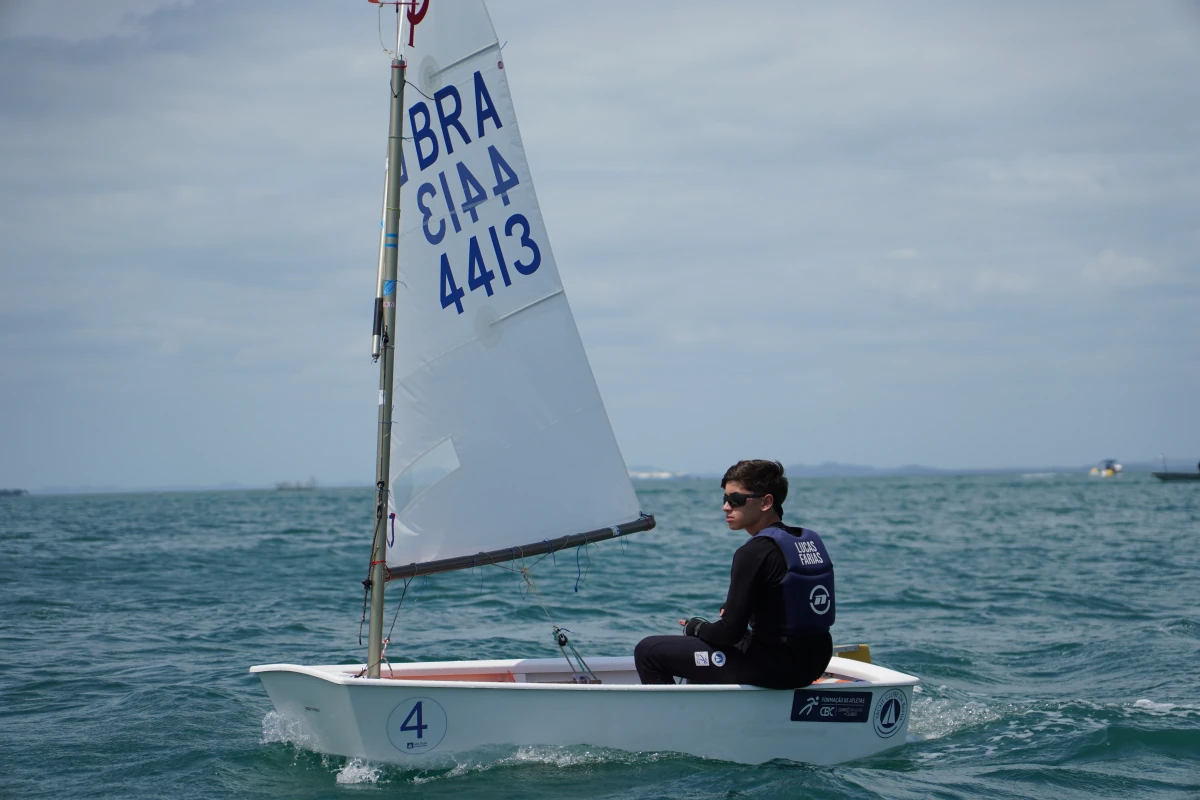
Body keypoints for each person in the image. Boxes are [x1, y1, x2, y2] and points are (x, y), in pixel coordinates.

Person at [634, 460, 834, 688]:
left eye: (736, 500)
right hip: (814, 662)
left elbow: (729, 633)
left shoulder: (753, 552)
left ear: (766, 502)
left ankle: (674, 713)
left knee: (648, 651)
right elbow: (787, 602)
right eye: (725, 499)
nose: (726, 507)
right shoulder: (807, 541)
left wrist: (696, 627)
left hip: (775, 666)